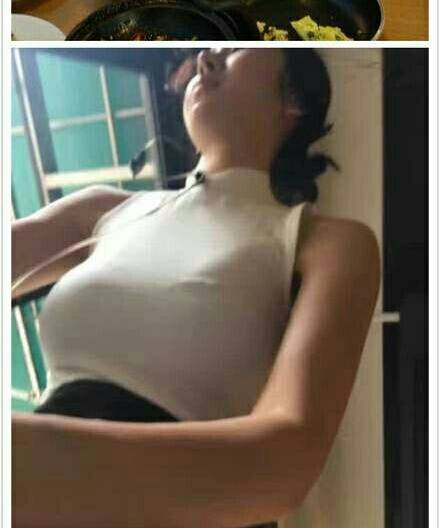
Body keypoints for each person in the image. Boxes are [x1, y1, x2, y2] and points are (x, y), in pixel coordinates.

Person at [12, 48, 380, 528]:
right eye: (206, 48)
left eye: (234, 50)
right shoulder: (102, 211)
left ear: (295, 98)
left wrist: (32, 468)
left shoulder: (328, 243)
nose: (205, 58)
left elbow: (282, 464)